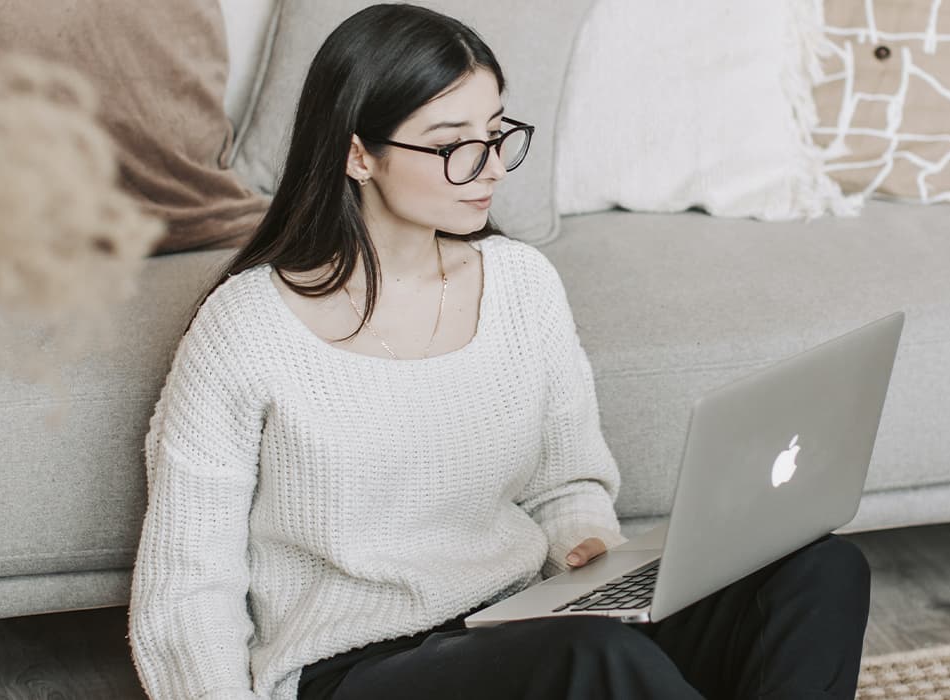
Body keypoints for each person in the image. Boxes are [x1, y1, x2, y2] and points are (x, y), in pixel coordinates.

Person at [127, 5, 871, 699]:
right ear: (359, 154)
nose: (489, 167)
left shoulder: (520, 284)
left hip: (514, 621)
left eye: (496, 133)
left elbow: (564, 484)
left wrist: (583, 540)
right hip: (355, 668)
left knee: (820, 569)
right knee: (594, 658)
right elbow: (187, 589)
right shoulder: (248, 328)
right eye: (453, 146)